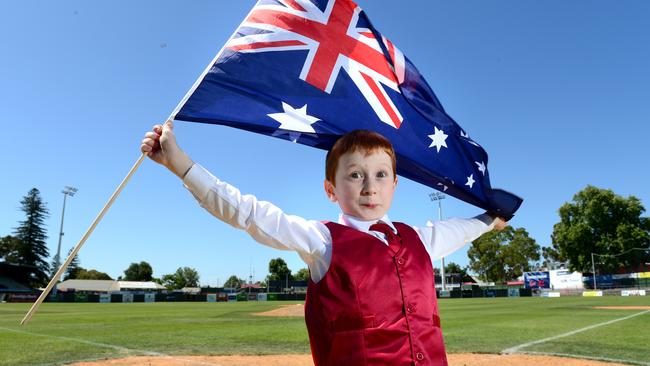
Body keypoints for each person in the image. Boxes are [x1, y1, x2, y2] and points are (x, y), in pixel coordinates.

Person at [141, 121, 507, 366]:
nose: (369, 186)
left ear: (395, 184)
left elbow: (459, 229)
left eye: (381, 175)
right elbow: (249, 214)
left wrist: (490, 220)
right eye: (354, 175)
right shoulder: (323, 240)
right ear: (331, 189)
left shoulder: (419, 240)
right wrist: (182, 165)